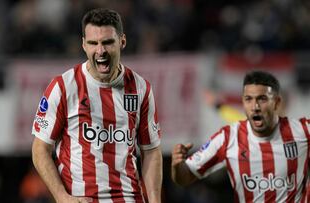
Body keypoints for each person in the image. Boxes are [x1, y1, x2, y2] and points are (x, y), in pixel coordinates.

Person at [31, 8, 162, 203]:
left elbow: (150, 151)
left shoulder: (140, 88)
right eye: (93, 43)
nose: (100, 51)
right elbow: (40, 149)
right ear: (84, 44)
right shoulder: (63, 87)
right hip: (81, 199)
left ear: (122, 41)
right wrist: (61, 196)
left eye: (108, 42)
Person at [171, 70, 310, 202]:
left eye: (263, 99)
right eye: (249, 99)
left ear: (277, 103)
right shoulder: (228, 137)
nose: (255, 106)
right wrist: (177, 166)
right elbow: (184, 177)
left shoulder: (302, 131)